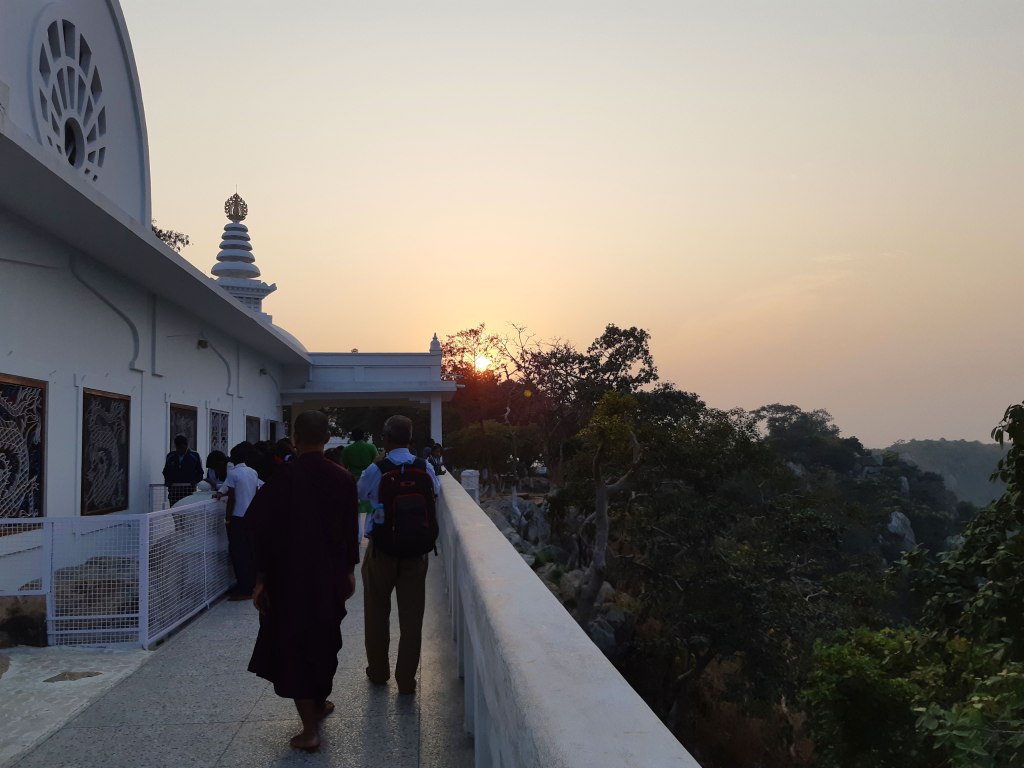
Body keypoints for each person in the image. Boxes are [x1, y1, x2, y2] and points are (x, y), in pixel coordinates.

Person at [246, 411, 360, 752]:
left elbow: (260, 529)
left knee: (294, 647)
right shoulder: (342, 478)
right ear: (325, 438)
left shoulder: (281, 478)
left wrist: (261, 578)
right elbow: (350, 531)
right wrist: (350, 571)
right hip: (328, 578)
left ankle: (310, 728)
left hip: (288, 579)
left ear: (295, 439)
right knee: (325, 642)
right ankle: (317, 705)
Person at [357, 415, 439, 696]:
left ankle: (379, 672)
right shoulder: (425, 467)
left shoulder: (376, 469)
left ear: (386, 438)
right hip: (416, 553)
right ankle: (406, 680)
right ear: (410, 439)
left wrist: (377, 505)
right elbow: (435, 495)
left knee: (376, 614)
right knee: (412, 618)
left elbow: (360, 496)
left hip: (381, 551)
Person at [215, 442, 262, 600]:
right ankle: (251, 585)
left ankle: (243, 589)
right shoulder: (253, 472)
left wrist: (227, 519)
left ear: (233, 459)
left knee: (238, 554)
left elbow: (232, 497)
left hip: (237, 518)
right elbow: (256, 492)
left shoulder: (233, 473)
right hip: (252, 517)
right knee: (250, 552)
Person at [342, 428, 378, 529]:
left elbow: (344, 467)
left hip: (354, 480)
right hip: (369, 480)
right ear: (364, 436)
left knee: (355, 508)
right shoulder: (371, 447)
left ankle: (358, 533)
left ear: (352, 437)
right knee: (370, 507)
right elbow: (377, 463)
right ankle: (368, 530)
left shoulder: (347, 450)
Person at [162, 434, 204, 505]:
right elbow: (166, 471)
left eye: (182, 448)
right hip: (174, 491)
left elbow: (200, 472)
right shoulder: (170, 456)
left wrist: (195, 481)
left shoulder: (195, 456)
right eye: (178, 448)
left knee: (188, 509)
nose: (180, 450)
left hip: (189, 491)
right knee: (174, 509)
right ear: (176, 446)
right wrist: (168, 481)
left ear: (186, 445)